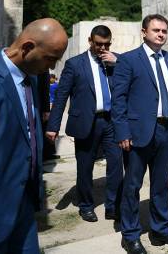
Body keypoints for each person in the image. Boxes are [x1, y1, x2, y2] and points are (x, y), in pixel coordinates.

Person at [0, 18, 68, 253]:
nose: (51, 67)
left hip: (24, 205)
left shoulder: (31, 78)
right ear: (27, 47)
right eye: (50, 58)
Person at [112, 14, 168, 253]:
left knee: (161, 184)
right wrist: (122, 131)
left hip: (166, 131)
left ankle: (160, 229)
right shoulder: (128, 60)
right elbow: (119, 100)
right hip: (137, 133)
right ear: (144, 32)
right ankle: (131, 235)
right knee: (132, 185)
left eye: (164, 30)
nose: (161, 34)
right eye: (156, 30)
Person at [46, 25, 125, 222]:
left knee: (116, 165)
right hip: (86, 123)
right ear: (90, 41)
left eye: (106, 44)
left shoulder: (116, 60)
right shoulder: (75, 64)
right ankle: (86, 205)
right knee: (85, 166)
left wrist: (119, 63)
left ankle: (112, 206)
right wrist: (53, 126)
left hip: (112, 122)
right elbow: (61, 96)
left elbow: (134, 74)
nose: (102, 48)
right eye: (98, 44)